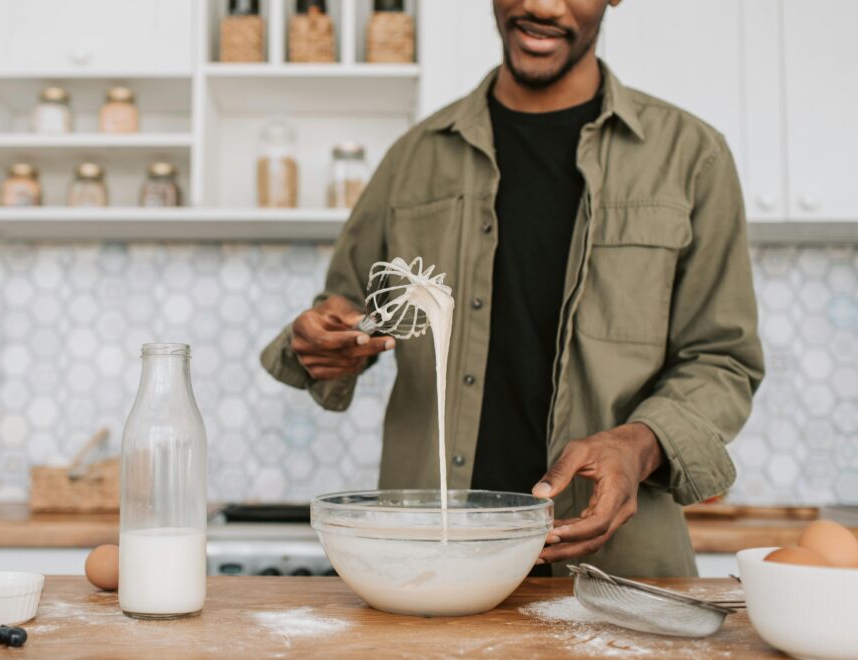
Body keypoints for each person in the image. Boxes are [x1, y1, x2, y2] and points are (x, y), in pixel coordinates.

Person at [261, 0, 764, 577]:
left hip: (620, 574)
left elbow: (722, 358)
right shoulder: (415, 159)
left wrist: (641, 443)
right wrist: (326, 341)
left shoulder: (692, 158)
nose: (540, 6)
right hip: (432, 565)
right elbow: (347, 311)